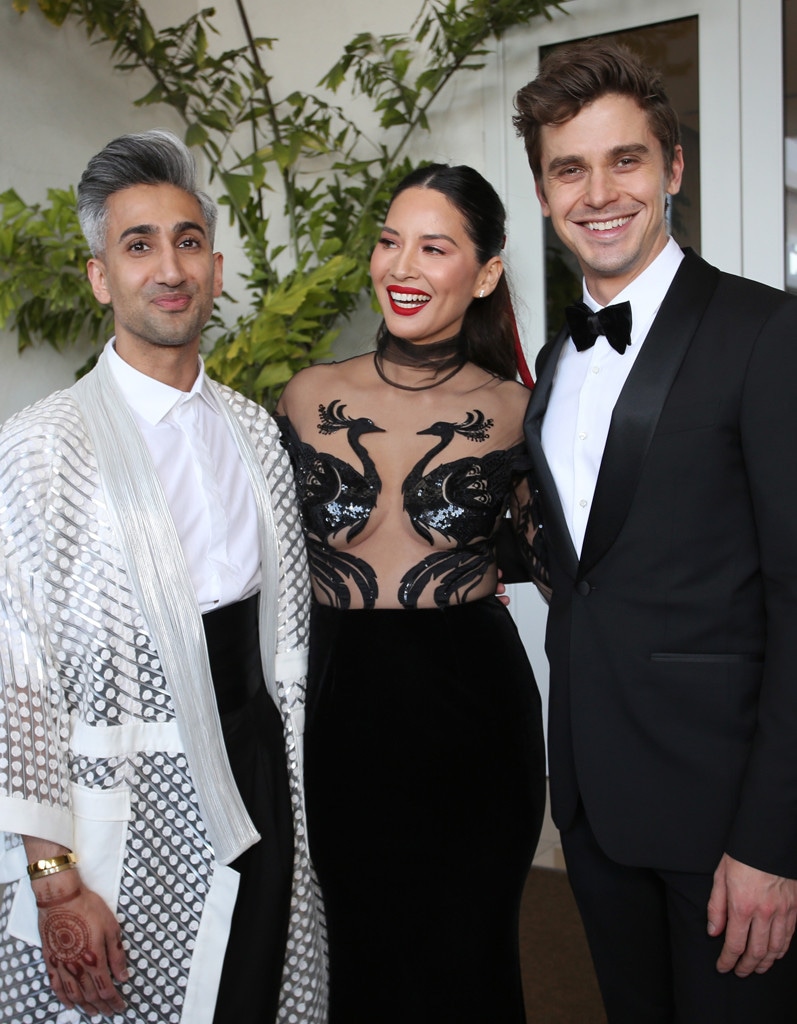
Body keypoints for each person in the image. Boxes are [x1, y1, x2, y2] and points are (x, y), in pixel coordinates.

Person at [0, 129, 326, 1024]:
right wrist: (54, 878)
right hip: (123, 791)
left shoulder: (255, 432)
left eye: (187, 241)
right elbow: (15, 671)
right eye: (137, 244)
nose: (168, 267)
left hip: (257, 758)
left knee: (249, 987)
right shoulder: (41, 449)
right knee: (128, 999)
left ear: (215, 269)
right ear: (101, 275)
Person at [513, 38, 797, 1023]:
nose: (598, 191)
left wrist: (772, 839)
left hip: (726, 819)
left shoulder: (765, 333)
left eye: (623, 159)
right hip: (591, 801)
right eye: (568, 168)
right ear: (544, 194)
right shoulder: (552, 361)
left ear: (671, 169)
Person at [276, 163, 546, 1024]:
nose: (403, 266)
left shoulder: (514, 409)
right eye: (390, 241)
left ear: (486, 272)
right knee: (354, 947)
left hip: (474, 707)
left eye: (434, 247)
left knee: (467, 955)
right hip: (338, 702)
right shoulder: (309, 395)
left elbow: (569, 563)